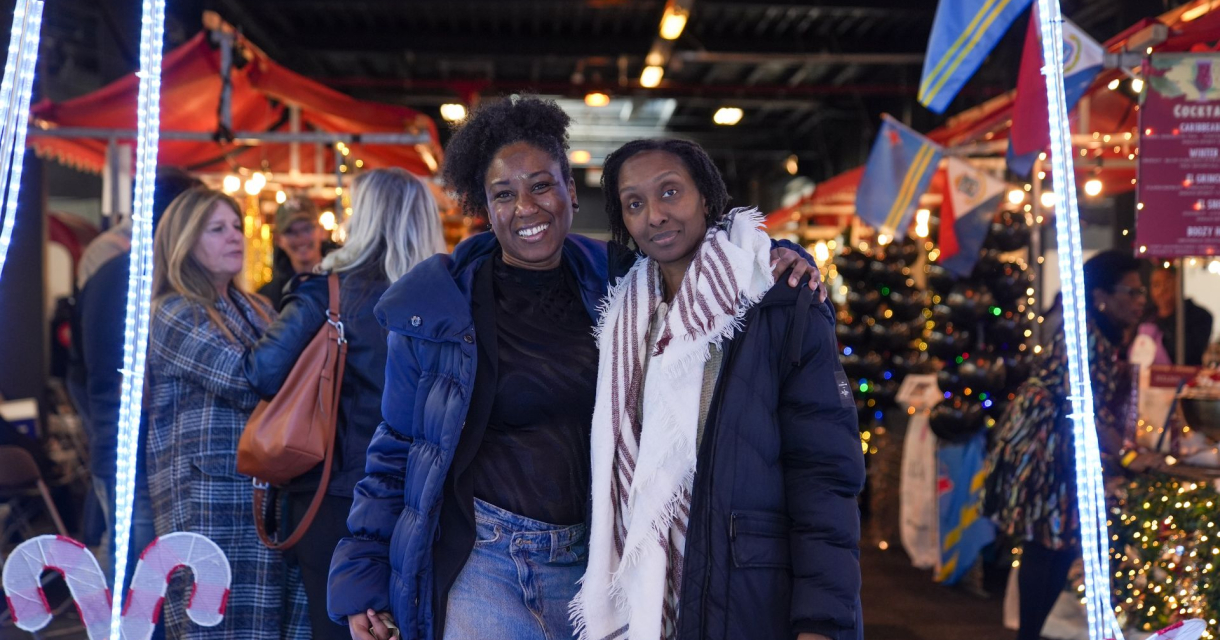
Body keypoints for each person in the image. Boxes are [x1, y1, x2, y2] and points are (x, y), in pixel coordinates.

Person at [327, 96, 821, 640]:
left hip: (599, 562)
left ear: (568, 186)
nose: (526, 208)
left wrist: (778, 252)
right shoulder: (437, 307)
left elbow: (706, 257)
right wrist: (362, 581)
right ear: (483, 207)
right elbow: (396, 449)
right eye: (503, 194)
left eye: (541, 185)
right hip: (482, 563)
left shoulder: (620, 278)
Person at [569, 138, 862, 640]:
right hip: (647, 595)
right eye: (634, 204)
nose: (655, 216)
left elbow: (823, 474)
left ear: (705, 196)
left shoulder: (778, 301)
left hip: (746, 593)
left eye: (670, 192)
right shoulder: (621, 311)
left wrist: (822, 621)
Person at [243, 168, 446, 640]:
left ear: (365, 218)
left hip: (335, 499)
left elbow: (262, 371)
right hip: (429, 499)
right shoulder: (451, 299)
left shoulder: (327, 292)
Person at [146, 187, 308, 639]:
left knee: (268, 623)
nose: (234, 236)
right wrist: (309, 308)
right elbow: (247, 379)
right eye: (216, 229)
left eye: (236, 226)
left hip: (265, 492)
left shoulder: (256, 305)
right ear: (184, 242)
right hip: (207, 502)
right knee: (215, 623)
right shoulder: (173, 312)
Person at [985, 250, 1152, 640]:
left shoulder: (1096, 334)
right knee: (1049, 542)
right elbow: (1085, 408)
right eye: (1132, 291)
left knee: (1051, 543)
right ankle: (1028, 634)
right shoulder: (1088, 337)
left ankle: (1029, 634)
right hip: (1050, 447)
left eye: (1142, 292)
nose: (1141, 301)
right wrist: (1128, 454)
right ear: (1101, 297)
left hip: (1052, 443)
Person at [67, 167, 201, 608]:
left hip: (113, 445)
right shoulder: (163, 282)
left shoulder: (105, 274)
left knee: (129, 571)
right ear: (177, 218)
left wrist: (99, 426)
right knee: (146, 586)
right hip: (150, 452)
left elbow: (77, 373)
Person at [259, 196, 327, 310]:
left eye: (307, 229)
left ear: (321, 231)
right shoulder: (268, 298)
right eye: (290, 231)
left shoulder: (346, 284)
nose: (300, 238)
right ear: (278, 239)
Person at [1148, 264, 1214, 366]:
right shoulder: (1146, 315)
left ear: (1179, 283)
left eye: (1168, 283)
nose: (1162, 290)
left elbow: (1191, 353)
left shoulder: (1199, 316)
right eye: (1156, 284)